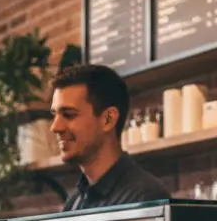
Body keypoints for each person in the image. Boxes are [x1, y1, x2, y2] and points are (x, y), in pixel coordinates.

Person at [50, 63, 170, 210]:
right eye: (54, 115)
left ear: (108, 119)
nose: (55, 127)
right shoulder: (76, 200)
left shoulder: (144, 197)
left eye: (69, 115)